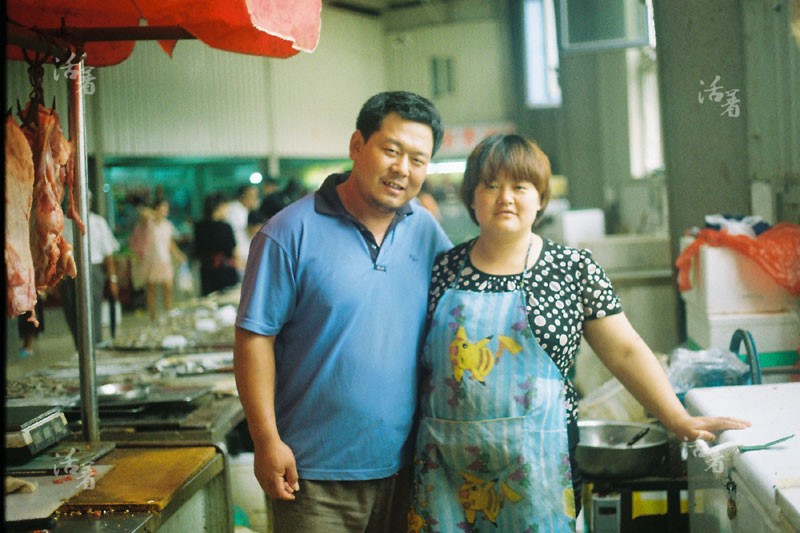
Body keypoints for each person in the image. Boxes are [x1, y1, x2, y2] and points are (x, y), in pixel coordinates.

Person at [408, 134, 751, 531]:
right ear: (471, 198)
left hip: (538, 468)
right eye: (491, 185)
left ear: (540, 198)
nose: (505, 197)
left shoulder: (573, 269)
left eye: (520, 186)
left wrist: (676, 418)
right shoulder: (440, 269)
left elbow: (624, 350)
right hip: (448, 471)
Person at [234, 91, 451, 533]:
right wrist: (265, 440)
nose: (402, 170)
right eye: (391, 150)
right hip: (312, 476)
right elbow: (255, 339)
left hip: (405, 468)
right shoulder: (288, 233)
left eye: (417, 159)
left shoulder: (425, 230)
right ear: (357, 146)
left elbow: (464, 307)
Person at [62, 192, 120, 348]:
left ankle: (95, 348)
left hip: (93, 270)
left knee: (92, 313)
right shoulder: (63, 222)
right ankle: (80, 350)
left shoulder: (98, 222)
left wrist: (112, 279)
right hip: (69, 273)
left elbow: (108, 254)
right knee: (72, 314)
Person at [137, 199, 186, 321]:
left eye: (166, 209)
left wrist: (178, 254)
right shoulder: (149, 223)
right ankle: (152, 315)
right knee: (151, 289)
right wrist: (155, 214)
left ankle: (168, 311)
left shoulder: (167, 225)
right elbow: (143, 213)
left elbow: (170, 243)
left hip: (165, 259)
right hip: (152, 259)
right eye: (162, 208)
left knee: (168, 287)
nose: (165, 211)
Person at [195, 192, 240, 296]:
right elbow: (234, 252)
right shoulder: (225, 227)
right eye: (226, 206)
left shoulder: (199, 226)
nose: (227, 210)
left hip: (206, 272)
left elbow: (198, 251)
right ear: (220, 206)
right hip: (225, 271)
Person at [225, 185, 260, 270]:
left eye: (256, 196)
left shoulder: (247, 210)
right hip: (236, 256)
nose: (254, 199)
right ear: (242, 196)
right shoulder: (234, 209)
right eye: (251, 196)